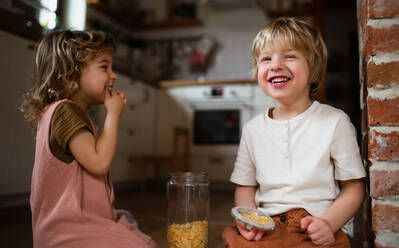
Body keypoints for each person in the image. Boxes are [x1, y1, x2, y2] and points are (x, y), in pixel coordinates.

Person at [222, 17, 366, 248]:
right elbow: (245, 187)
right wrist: (248, 220)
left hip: (313, 226)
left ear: (314, 71)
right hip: (266, 225)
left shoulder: (335, 121)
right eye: (266, 58)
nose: (275, 65)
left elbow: (353, 187)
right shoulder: (252, 130)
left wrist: (328, 224)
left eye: (289, 56)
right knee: (233, 239)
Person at [20, 30, 157, 248]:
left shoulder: (66, 112)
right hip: (67, 232)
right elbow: (99, 163)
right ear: (70, 74)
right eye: (104, 67)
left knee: (131, 229)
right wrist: (113, 115)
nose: (113, 75)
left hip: (71, 226)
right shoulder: (65, 111)